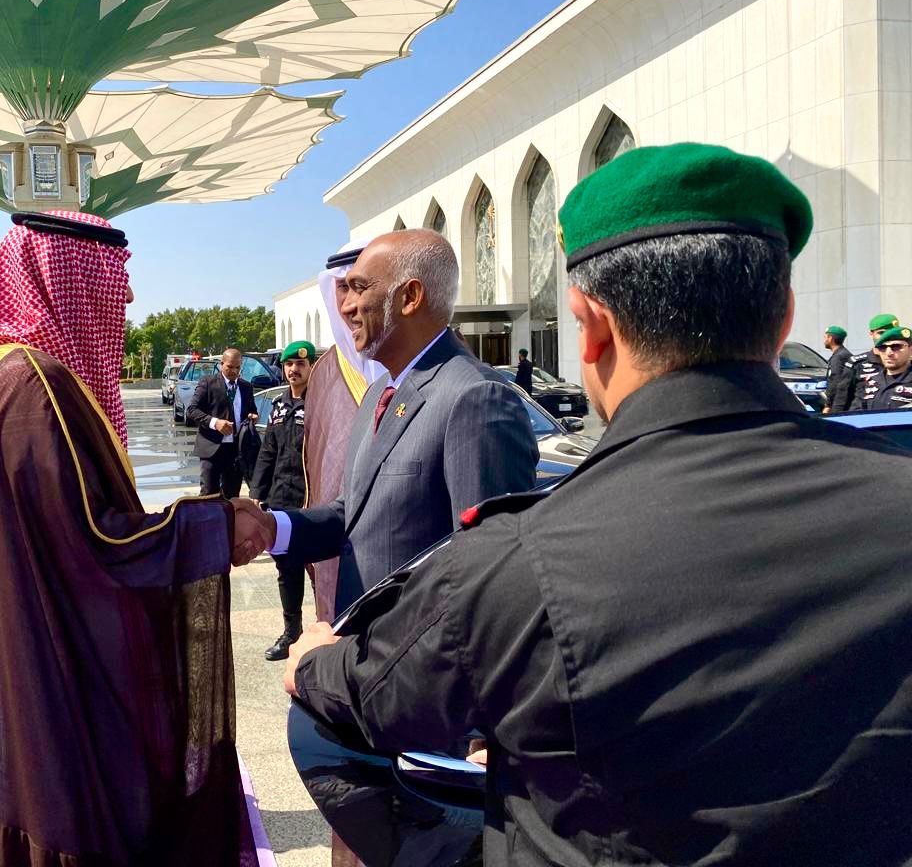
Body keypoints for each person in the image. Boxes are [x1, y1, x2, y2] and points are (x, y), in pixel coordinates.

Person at [286, 144, 912, 867]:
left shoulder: (520, 563)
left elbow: (356, 706)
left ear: (590, 327)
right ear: (784, 320)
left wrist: (313, 662)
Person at [0, 209, 271, 867]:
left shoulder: (2, 375)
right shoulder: (36, 389)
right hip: (55, 660)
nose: (124, 302)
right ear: (60, 279)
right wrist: (215, 524)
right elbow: (95, 542)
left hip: (36, 640)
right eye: (109, 284)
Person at [237, 229, 538, 615]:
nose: (346, 306)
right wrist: (271, 528)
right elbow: (353, 516)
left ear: (410, 297)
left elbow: (485, 588)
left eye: (359, 288)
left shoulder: (475, 399)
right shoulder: (380, 393)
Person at [300, 241, 385, 623]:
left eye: (362, 286)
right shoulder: (323, 373)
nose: (351, 303)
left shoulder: (427, 366)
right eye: (342, 288)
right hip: (333, 555)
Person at [250, 340, 315, 660]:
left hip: (312, 499)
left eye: (300, 364)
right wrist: (256, 495)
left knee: (321, 570)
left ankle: (331, 627)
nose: (293, 370)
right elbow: (268, 453)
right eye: (289, 364)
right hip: (281, 498)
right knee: (287, 568)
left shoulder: (320, 404)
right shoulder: (278, 405)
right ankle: (292, 633)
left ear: (311, 367)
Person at [186, 347, 258, 496]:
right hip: (211, 449)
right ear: (221, 364)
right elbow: (192, 410)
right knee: (209, 495)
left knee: (232, 496)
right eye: (229, 367)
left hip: (236, 450)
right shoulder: (208, 383)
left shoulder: (246, 387)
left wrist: (253, 416)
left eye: (237, 367)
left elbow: (252, 410)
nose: (234, 371)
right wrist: (215, 423)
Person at [845, 312, 900, 409]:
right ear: (871, 334)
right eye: (881, 333)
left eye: (891, 333)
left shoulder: (906, 363)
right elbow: (842, 398)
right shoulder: (858, 363)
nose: (886, 336)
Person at [857, 325, 912, 410]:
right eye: (883, 347)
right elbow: (856, 412)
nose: (888, 353)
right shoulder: (870, 382)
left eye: (896, 347)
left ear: (910, 349)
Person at [821, 324, 853, 413]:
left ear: (830, 338)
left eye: (825, 337)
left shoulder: (838, 357)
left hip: (839, 403)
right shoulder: (844, 354)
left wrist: (828, 404)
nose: (824, 340)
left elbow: (835, 380)